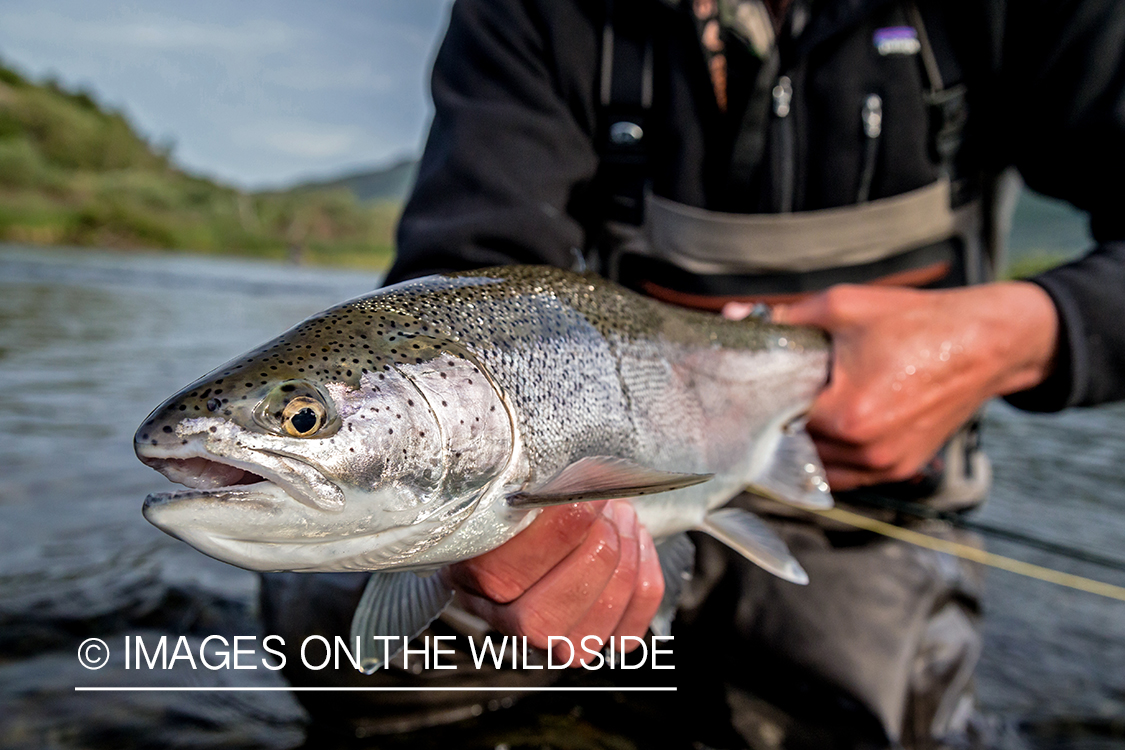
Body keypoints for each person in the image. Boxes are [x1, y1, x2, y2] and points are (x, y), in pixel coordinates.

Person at [261, 0, 1125, 746]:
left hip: (861, 492)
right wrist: (484, 534)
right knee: (336, 645)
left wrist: (1025, 332)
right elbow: (467, 278)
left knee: (859, 720)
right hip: (571, 486)